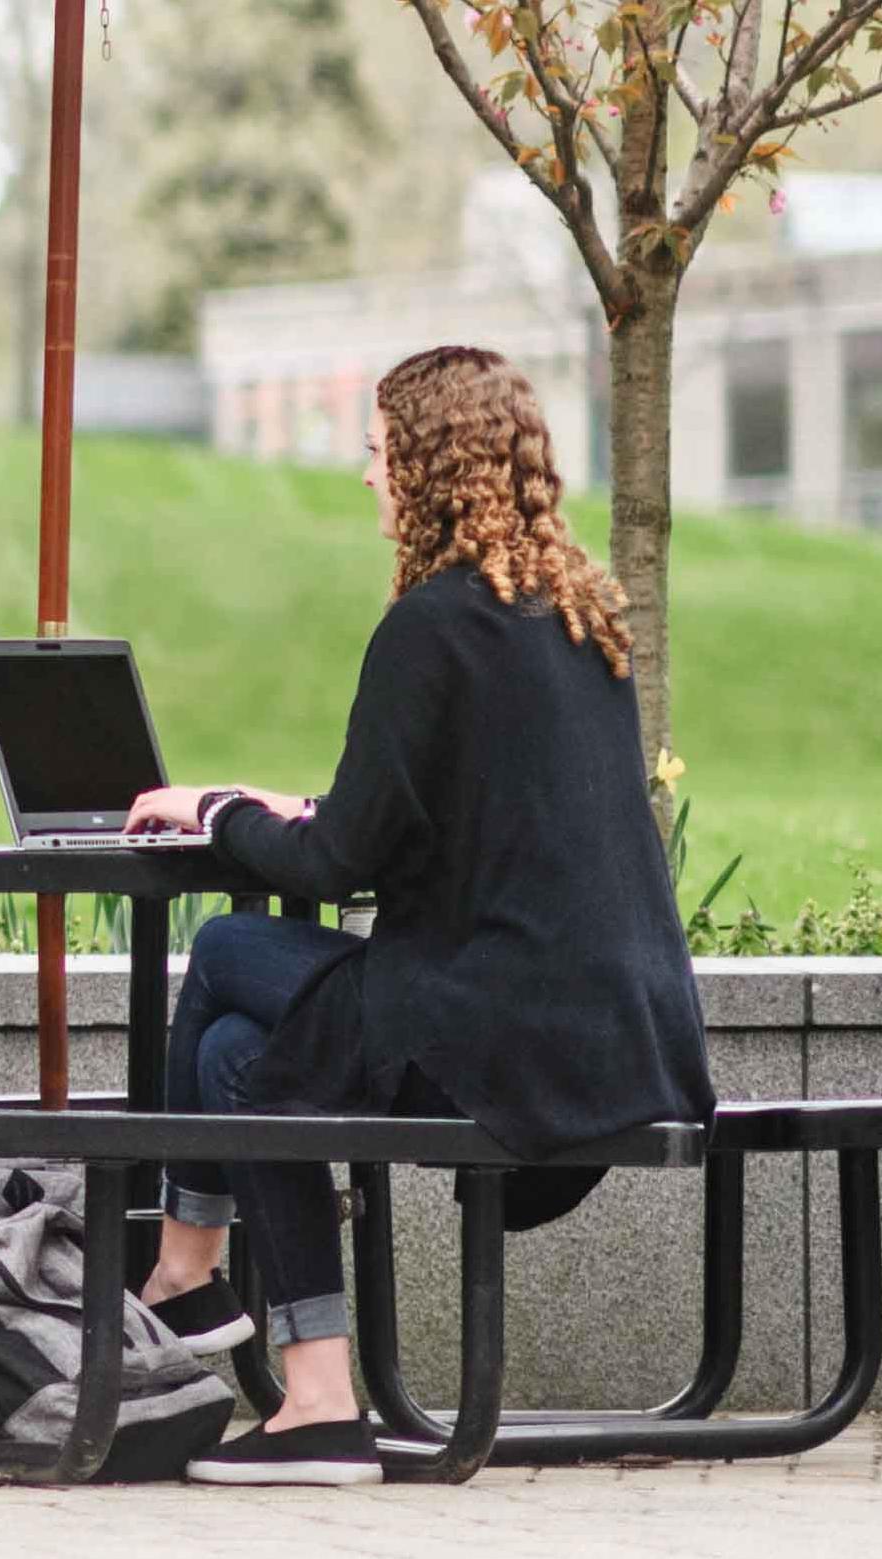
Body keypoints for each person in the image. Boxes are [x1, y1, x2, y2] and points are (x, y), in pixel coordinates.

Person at [112, 345, 711, 1488]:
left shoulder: (432, 625)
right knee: (245, 1055)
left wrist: (222, 809)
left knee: (229, 946)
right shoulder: (574, 617)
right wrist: (305, 811)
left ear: (429, 469)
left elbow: (340, 858)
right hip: (617, 1031)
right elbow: (466, 823)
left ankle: (182, 1269)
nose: (366, 476)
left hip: (502, 1036)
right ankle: (319, 1402)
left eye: (379, 453)